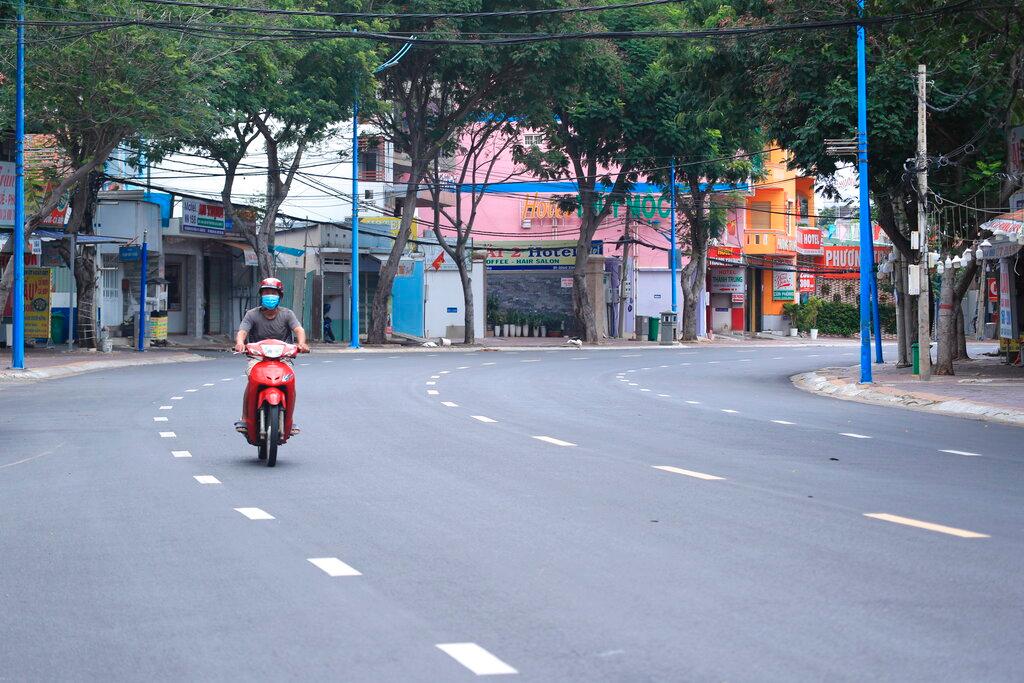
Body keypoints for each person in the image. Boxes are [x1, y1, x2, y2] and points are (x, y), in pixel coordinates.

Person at [234, 277, 309, 433]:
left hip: (283, 359)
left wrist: (301, 344)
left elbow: (298, 330)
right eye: (266, 292)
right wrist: (240, 343)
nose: (269, 295)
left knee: (291, 382)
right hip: (257, 358)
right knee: (251, 382)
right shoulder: (252, 314)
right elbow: (243, 331)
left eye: (273, 292)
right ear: (261, 295)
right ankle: (244, 418)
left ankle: (290, 420)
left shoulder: (287, 314)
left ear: (280, 296)